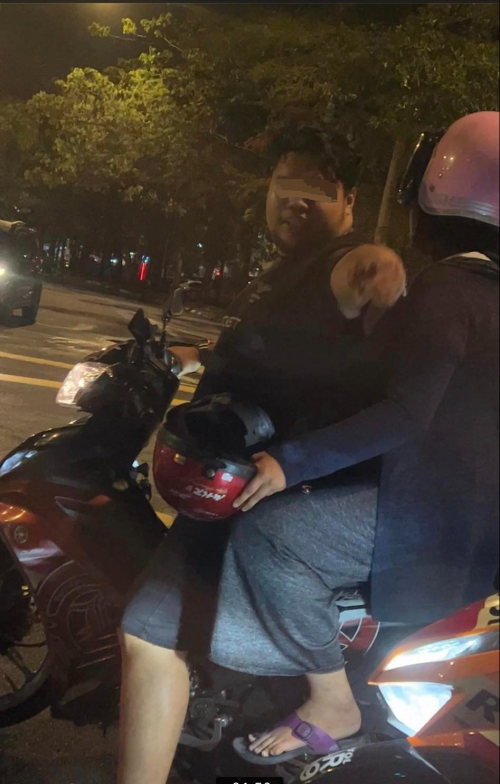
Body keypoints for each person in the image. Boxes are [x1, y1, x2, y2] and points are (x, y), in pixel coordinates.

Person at [117, 125, 407, 784]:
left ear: (349, 202)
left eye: (317, 190)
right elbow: (269, 349)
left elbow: (365, 271)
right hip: (235, 482)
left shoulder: (342, 259)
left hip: (258, 489)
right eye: (285, 185)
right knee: (152, 630)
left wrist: (378, 266)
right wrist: (191, 355)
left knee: (148, 631)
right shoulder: (285, 272)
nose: (295, 201)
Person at [224, 111, 497, 762]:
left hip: (431, 514)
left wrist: (290, 461)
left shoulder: (447, 288)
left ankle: (331, 701)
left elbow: (405, 412)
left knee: (269, 537)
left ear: (429, 192)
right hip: (477, 521)